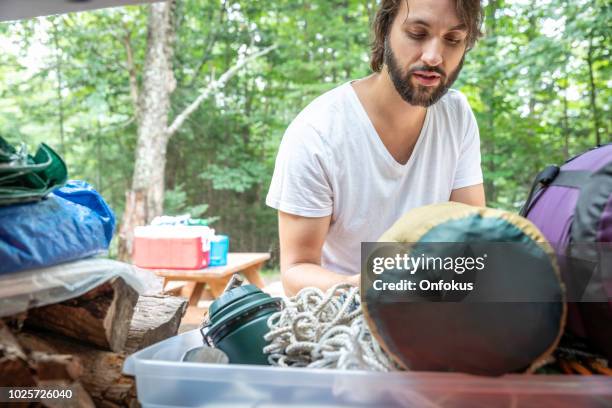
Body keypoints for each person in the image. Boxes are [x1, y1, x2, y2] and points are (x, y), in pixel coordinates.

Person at [266, 0, 485, 296]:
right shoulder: (317, 132)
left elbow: (471, 234)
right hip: (340, 316)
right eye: (417, 33)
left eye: (453, 39)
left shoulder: (456, 115)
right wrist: (374, 286)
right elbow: (295, 270)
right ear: (384, 30)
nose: (434, 57)